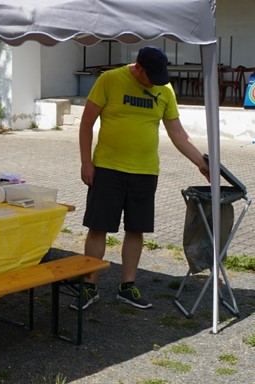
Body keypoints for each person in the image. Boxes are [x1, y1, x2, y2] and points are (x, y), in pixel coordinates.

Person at [74, 46, 210, 311]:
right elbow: (86, 122)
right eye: (152, 77)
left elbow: (178, 134)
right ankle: (89, 285)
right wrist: (86, 162)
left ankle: (128, 285)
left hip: (145, 172)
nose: (158, 82)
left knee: (136, 229)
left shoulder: (165, 89)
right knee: (98, 226)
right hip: (108, 169)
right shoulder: (109, 80)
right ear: (138, 68)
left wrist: (200, 163)